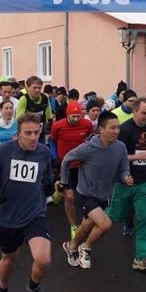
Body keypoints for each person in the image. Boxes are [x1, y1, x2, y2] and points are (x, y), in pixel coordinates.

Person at [0, 113, 56, 292]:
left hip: (34, 213)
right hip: (9, 216)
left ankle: (33, 287)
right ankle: (2, 291)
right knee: (8, 260)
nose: (32, 137)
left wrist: (49, 185)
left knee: (43, 259)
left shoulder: (44, 153)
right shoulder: (4, 152)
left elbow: (48, 176)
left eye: (36, 133)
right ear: (18, 134)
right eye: (27, 133)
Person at [60, 111, 133, 268]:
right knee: (105, 224)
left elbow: (123, 168)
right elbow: (67, 159)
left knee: (86, 226)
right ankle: (85, 248)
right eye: (112, 128)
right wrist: (64, 182)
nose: (116, 131)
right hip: (85, 194)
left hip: (103, 194)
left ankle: (71, 246)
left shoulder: (120, 148)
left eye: (118, 128)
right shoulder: (88, 148)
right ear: (101, 129)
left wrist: (126, 177)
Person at [107, 99, 146, 271]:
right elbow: (117, 157)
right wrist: (140, 157)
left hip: (143, 181)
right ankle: (88, 226)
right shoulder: (125, 130)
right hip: (125, 181)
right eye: (144, 113)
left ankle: (140, 258)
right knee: (115, 216)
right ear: (135, 112)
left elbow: (145, 150)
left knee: (143, 218)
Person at [50, 101, 95, 237]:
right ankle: (73, 226)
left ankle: (58, 190)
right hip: (66, 165)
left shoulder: (87, 124)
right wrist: (54, 157)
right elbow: (52, 140)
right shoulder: (58, 125)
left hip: (81, 165)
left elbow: (90, 139)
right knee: (70, 197)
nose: (76, 119)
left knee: (84, 195)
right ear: (67, 115)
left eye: (78, 116)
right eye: (73, 117)